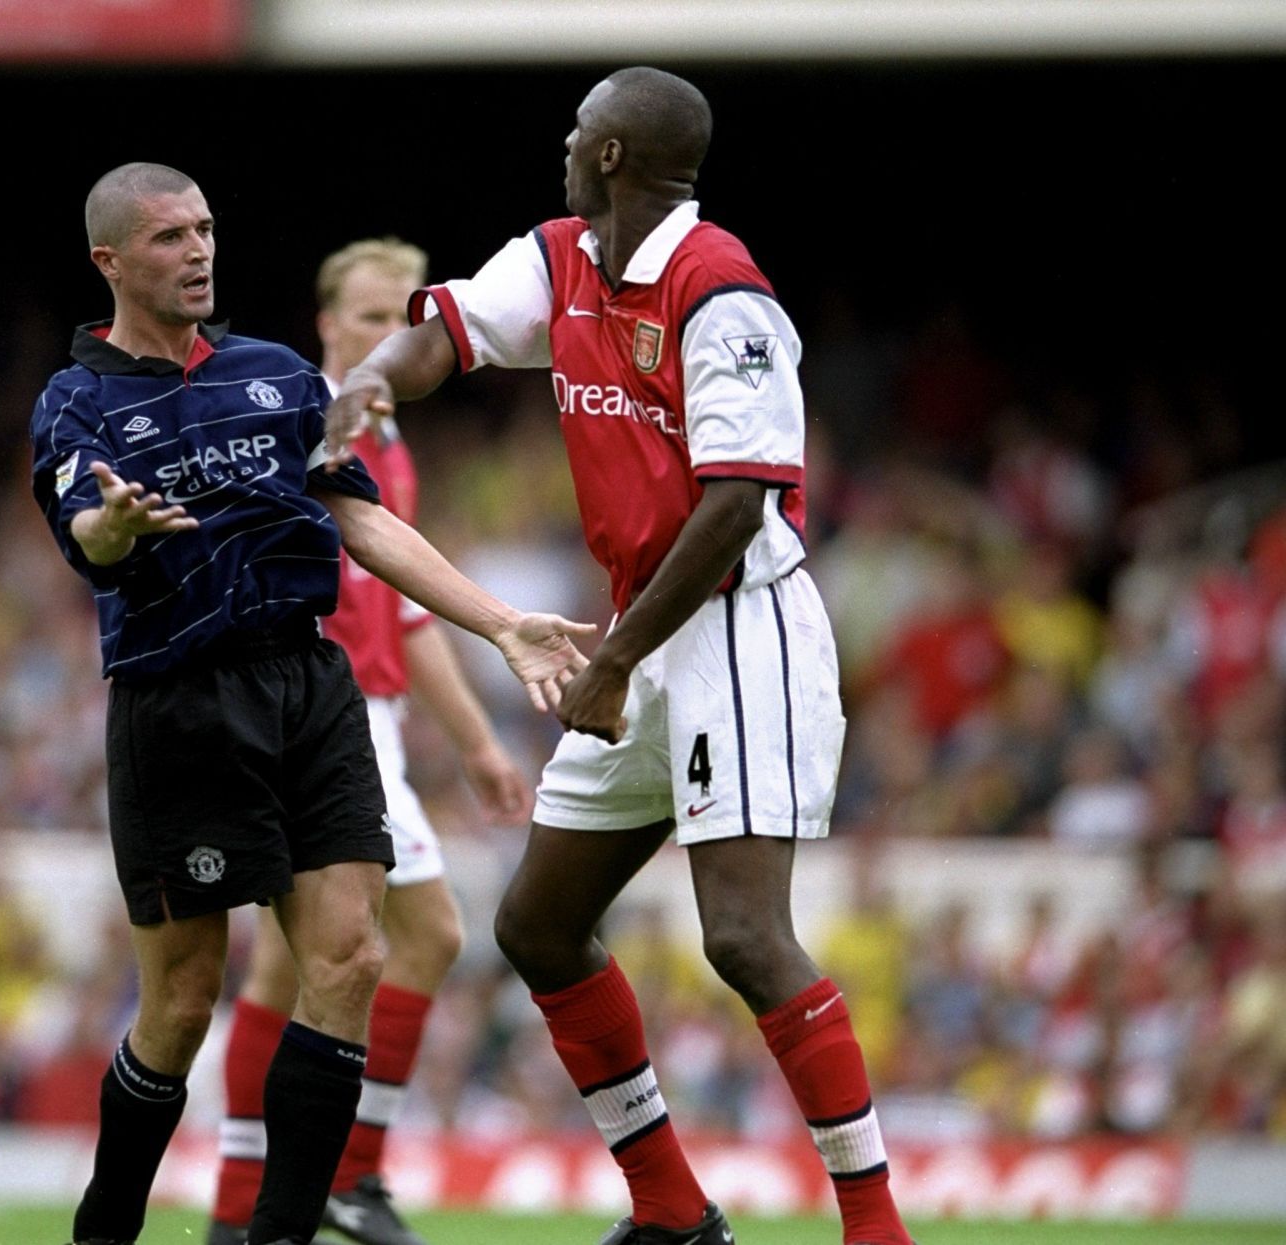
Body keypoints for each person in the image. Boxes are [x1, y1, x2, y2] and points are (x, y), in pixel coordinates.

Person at [323, 69, 916, 1245]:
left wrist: (609, 664)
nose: (564, 139)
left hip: (737, 629)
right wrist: (365, 393)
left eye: (578, 128)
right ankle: (671, 1210)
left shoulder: (722, 290)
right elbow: (444, 335)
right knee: (538, 925)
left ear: (609, 155)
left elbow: (740, 502)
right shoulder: (562, 259)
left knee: (744, 937)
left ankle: (875, 1224)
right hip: (642, 632)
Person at [31, 162, 594, 1245]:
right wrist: (119, 531)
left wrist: (501, 623)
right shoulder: (77, 401)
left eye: (204, 230)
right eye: (167, 239)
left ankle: (282, 1235)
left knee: (355, 957)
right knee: (185, 1001)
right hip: (176, 703)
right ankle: (106, 1226)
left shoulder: (275, 373)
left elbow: (363, 523)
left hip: (308, 684)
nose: (197, 252)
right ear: (110, 261)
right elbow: (86, 540)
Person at [207, 240, 533, 1245]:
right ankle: (353, 1172)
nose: (388, 335)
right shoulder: (303, 420)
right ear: (326, 324)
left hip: (363, 714)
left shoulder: (388, 446)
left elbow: (410, 618)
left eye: (407, 318)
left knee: (280, 971)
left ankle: (234, 1214)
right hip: (321, 715)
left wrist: (477, 741)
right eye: (367, 316)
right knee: (425, 934)